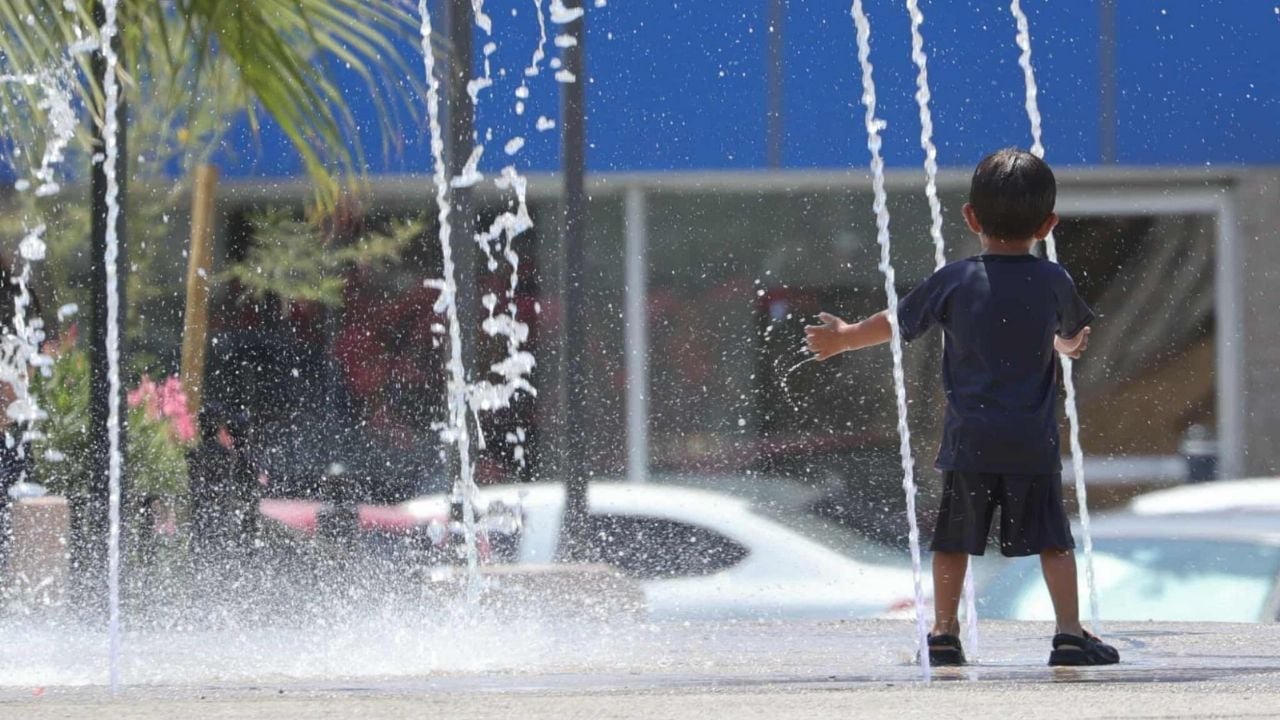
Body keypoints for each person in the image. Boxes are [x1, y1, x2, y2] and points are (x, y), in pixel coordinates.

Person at [805, 148, 1119, 667]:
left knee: (954, 540)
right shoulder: (1053, 280)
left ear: (970, 217)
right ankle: (1068, 634)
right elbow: (1067, 333)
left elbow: (897, 319)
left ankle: (944, 632)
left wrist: (845, 338)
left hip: (969, 440)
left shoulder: (956, 279)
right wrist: (1063, 347)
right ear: (1048, 224)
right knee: (1053, 541)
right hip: (1029, 443)